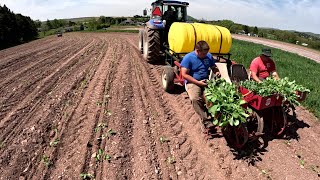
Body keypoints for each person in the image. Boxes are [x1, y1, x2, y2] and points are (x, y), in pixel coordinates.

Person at [181, 41, 220, 132]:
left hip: (206, 81)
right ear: (197, 51)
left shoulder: (208, 56)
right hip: (193, 82)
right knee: (195, 98)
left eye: (206, 53)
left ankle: (215, 116)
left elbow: (213, 66)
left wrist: (216, 71)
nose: (205, 55)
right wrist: (198, 83)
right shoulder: (188, 58)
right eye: (203, 53)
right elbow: (184, 75)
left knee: (213, 97)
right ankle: (206, 121)